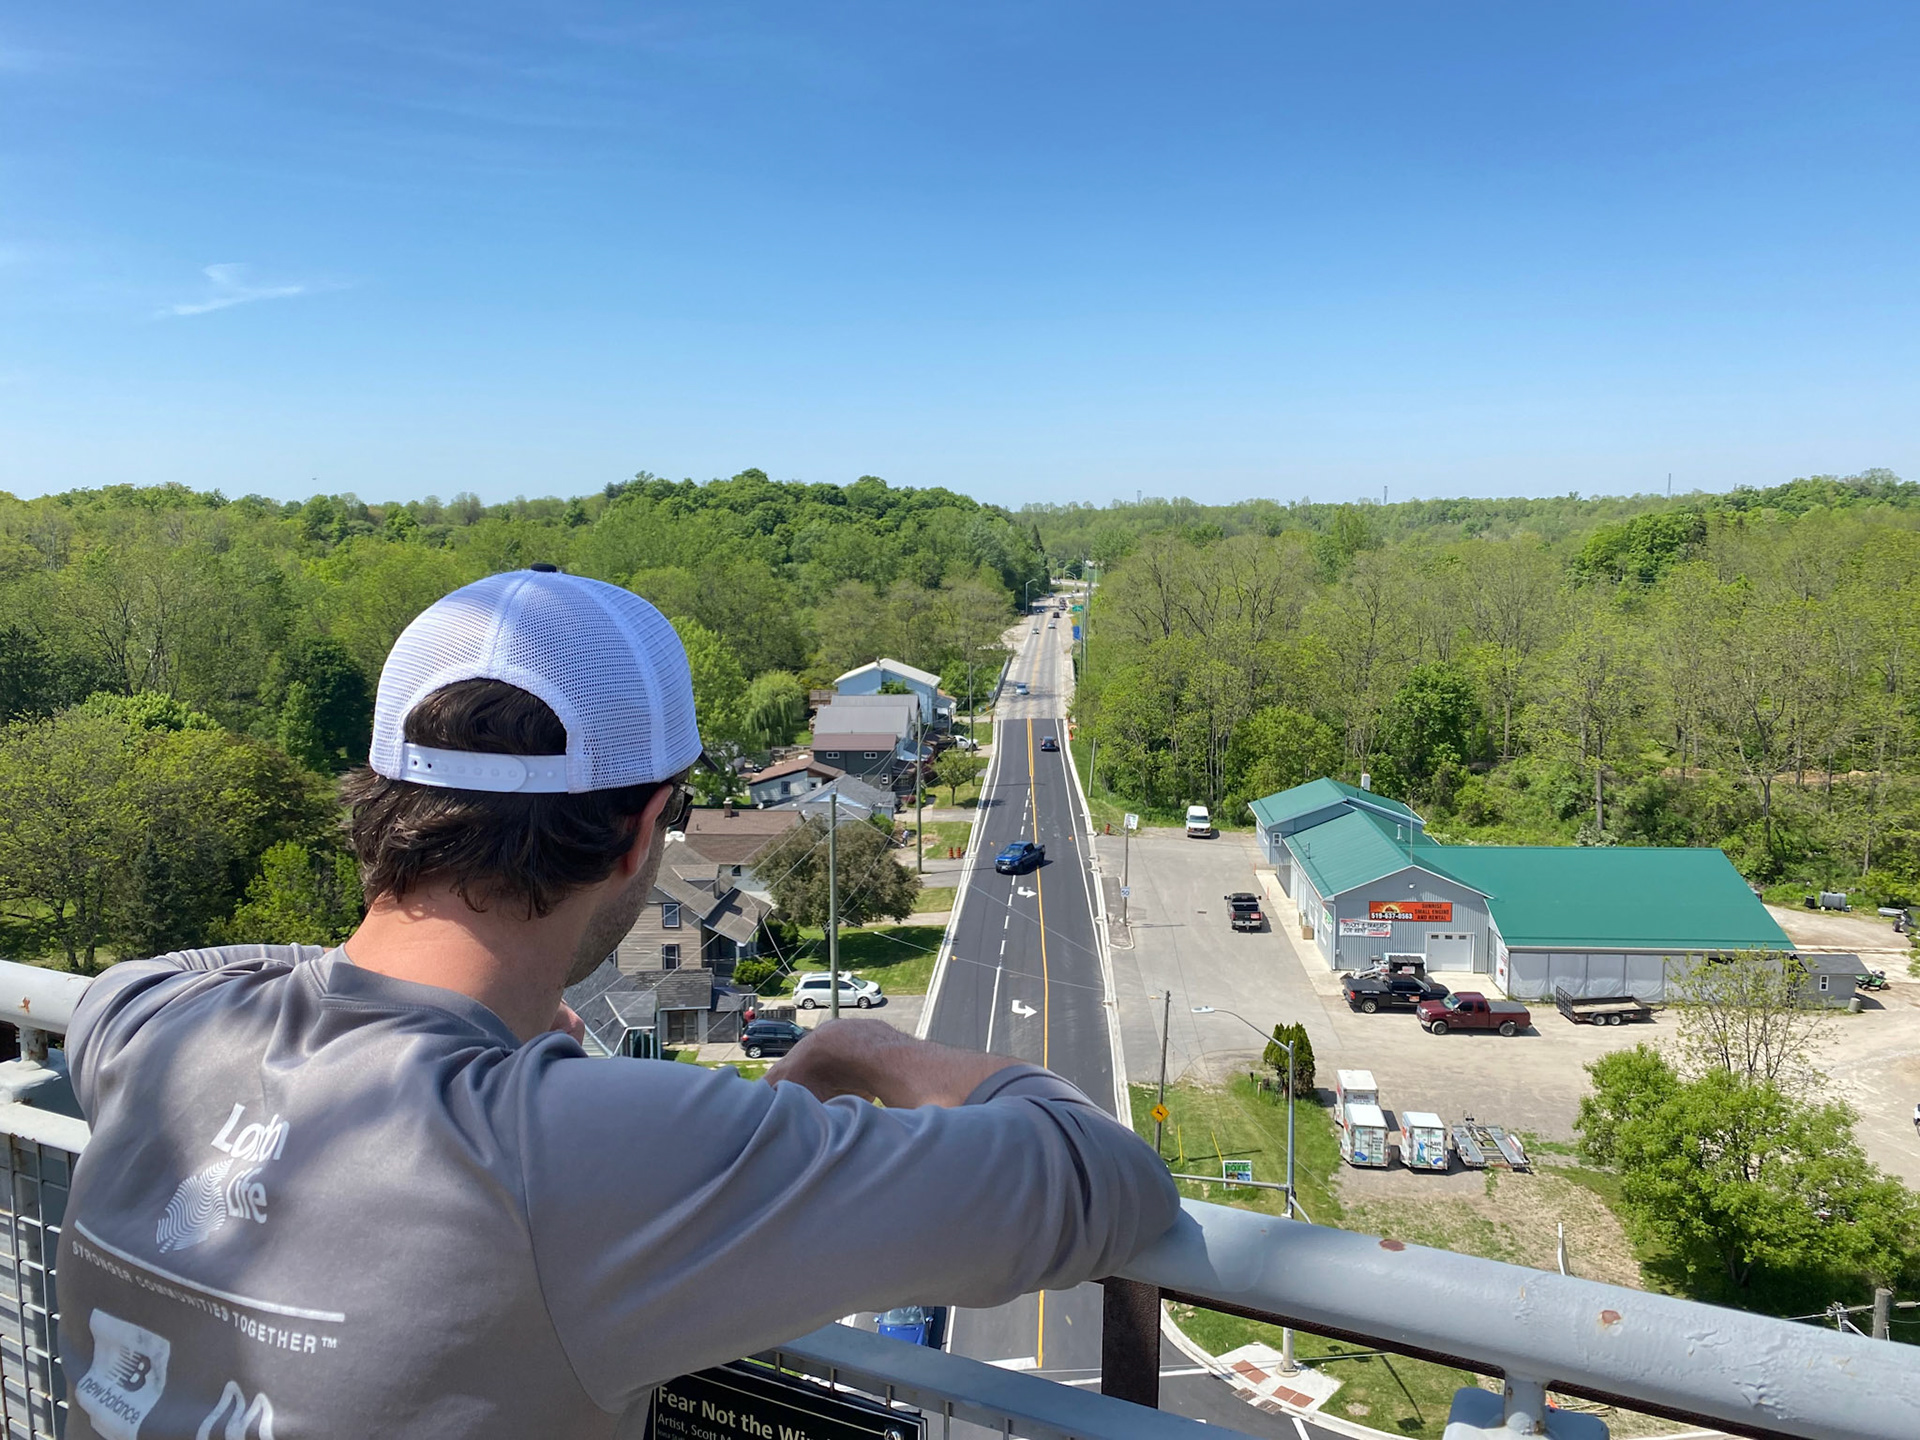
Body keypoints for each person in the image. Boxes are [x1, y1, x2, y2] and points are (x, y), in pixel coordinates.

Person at [56, 569, 1180, 1439]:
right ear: (646, 829)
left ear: (380, 804)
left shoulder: (150, 1026)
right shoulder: (584, 1148)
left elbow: (174, 974)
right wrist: (862, 1047)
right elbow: (1106, 1178)